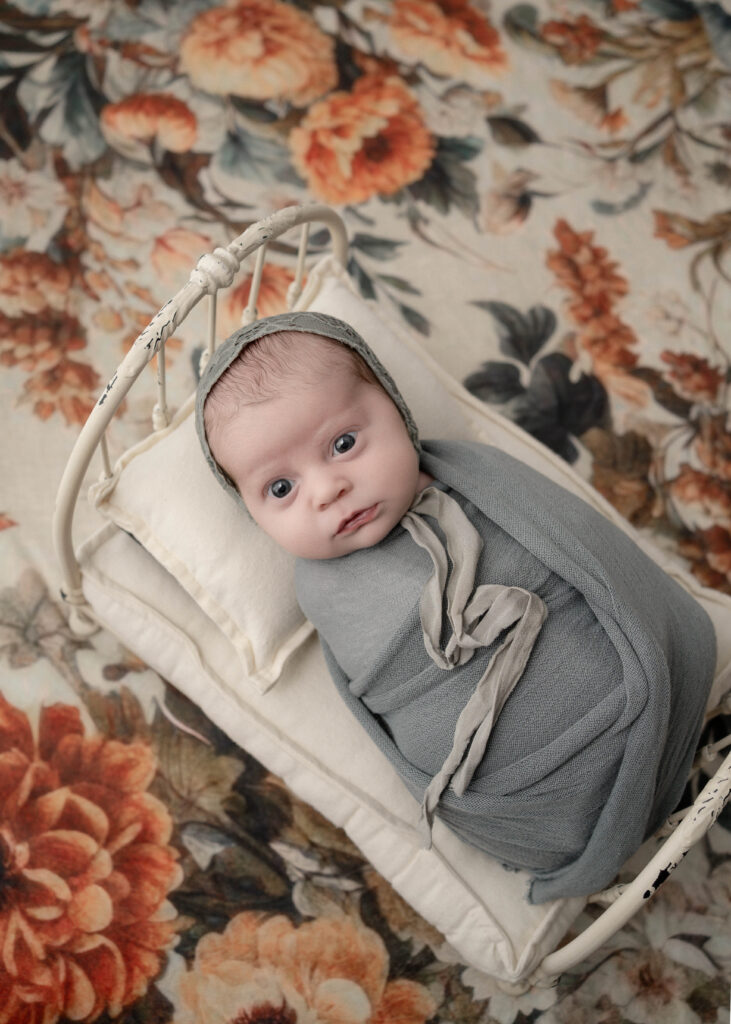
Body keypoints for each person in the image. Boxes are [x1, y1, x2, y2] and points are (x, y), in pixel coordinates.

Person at [196, 310, 716, 903]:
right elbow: (375, 708)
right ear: (251, 513)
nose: (326, 490)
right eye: (280, 489)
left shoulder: (475, 477)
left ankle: (651, 729)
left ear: (394, 407)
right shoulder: (320, 592)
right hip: (514, 796)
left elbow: (580, 546)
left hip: (626, 694)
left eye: (343, 444)